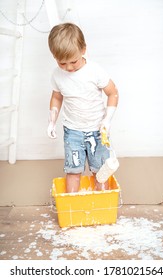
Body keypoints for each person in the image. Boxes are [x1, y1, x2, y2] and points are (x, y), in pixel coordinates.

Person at [47, 23, 119, 193]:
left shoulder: (94, 71)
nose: (69, 68)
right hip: (72, 131)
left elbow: (113, 93)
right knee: (73, 171)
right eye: (62, 63)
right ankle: (72, 206)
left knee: (100, 172)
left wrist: (107, 120)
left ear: (83, 50)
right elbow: (57, 97)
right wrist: (51, 121)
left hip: (97, 131)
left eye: (73, 61)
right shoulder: (57, 75)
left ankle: (102, 206)